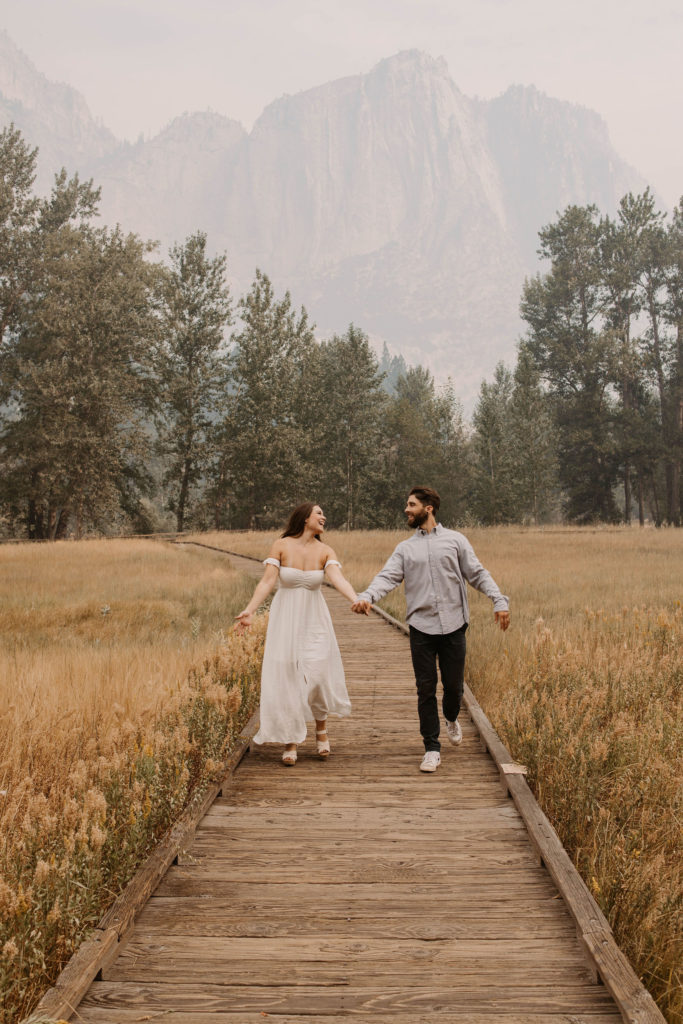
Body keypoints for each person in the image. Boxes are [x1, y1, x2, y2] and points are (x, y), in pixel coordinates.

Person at [351, 486, 510, 773]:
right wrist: (367, 596)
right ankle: (432, 748)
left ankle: (451, 717)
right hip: (421, 627)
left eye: (411, 505)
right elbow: (387, 577)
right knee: (425, 689)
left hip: (454, 625)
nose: (406, 510)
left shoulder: (455, 541)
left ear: (428, 508)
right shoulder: (405, 549)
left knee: (453, 687)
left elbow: (477, 573)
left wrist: (499, 600)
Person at [235, 502, 361, 765]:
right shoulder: (281, 545)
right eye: (319, 513)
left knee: (317, 671)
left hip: (315, 618)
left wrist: (355, 599)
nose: (324, 517)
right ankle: (291, 739)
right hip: (286, 617)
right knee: (288, 674)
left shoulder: (325, 551)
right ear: (305, 518)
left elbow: (338, 578)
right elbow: (268, 581)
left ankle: (321, 730)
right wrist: (249, 611)